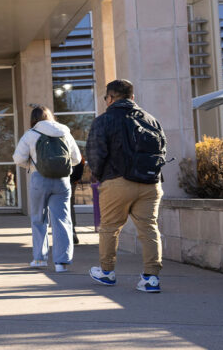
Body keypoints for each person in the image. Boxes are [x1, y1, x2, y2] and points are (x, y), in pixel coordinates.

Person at [87, 79, 165, 293]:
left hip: (117, 181)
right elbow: (162, 150)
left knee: (110, 227)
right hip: (150, 183)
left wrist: (99, 176)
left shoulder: (104, 120)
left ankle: (107, 272)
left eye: (105, 98)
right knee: (149, 228)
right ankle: (151, 278)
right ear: (132, 97)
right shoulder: (151, 119)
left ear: (110, 98)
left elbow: (96, 153)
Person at [12, 105, 82, 273]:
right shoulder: (65, 132)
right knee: (62, 220)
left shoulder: (31, 134)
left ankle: (39, 258)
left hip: (39, 179)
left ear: (33, 119)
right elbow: (77, 158)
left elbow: (18, 158)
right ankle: (61, 263)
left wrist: (33, 164)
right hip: (62, 181)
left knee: (39, 219)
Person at [69, 155, 86, 244]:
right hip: (70, 180)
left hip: (51, 179)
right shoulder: (70, 142)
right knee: (69, 206)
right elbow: (81, 160)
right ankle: (72, 231)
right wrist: (75, 179)